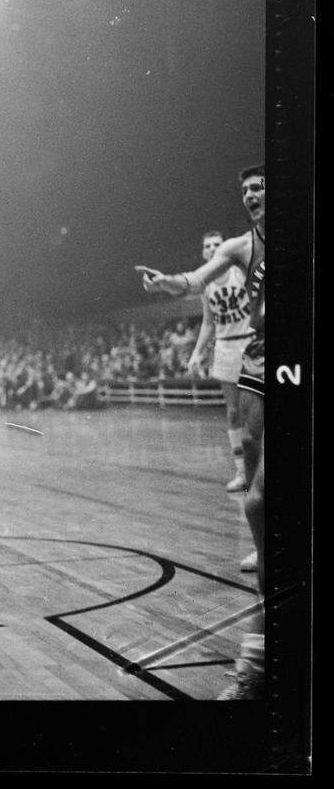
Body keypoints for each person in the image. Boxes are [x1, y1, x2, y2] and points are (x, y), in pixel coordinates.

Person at [136, 164, 265, 699]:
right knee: (257, 498)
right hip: (262, 359)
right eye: (245, 191)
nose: (251, 195)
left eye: (260, 188)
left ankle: (254, 667)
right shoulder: (238, 247)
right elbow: (197, 279)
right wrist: (172, 283)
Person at [186, 230, 254, 495]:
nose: (213, 248)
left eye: (217, 244)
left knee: (257, 410)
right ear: (203, 253)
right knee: (234, 411)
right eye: (208, 246)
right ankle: (242, 471)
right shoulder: (205, 284)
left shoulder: (239, 269)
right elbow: (208, 322)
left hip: (250, 341)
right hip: (225, 347)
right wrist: (197, 352)